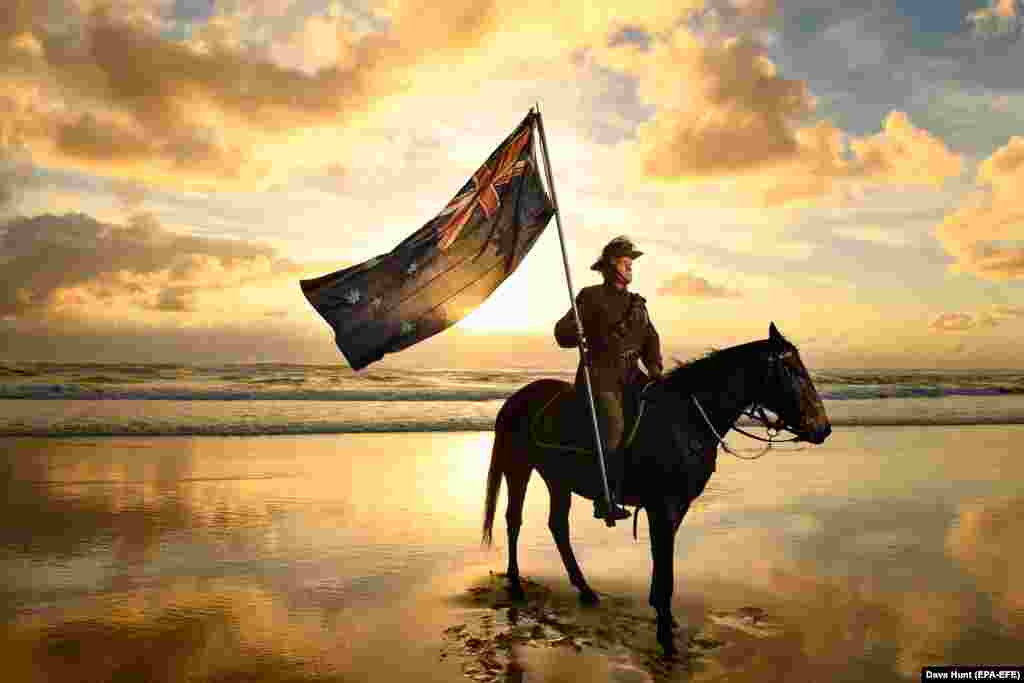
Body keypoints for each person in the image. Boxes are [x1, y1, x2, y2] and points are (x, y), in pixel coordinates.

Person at [554, 236, 664, 521]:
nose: (630, 266)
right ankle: (604, 496)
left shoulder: (637, 303)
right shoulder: (590, 297)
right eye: (626, 261)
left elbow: (650, 336)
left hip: (632, 376)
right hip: (600, 377)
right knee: (613, 427)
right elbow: (562, 332)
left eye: (631, 262)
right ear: (611, 265)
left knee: (664, 412)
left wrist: (654, 367)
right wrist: (573, 332)